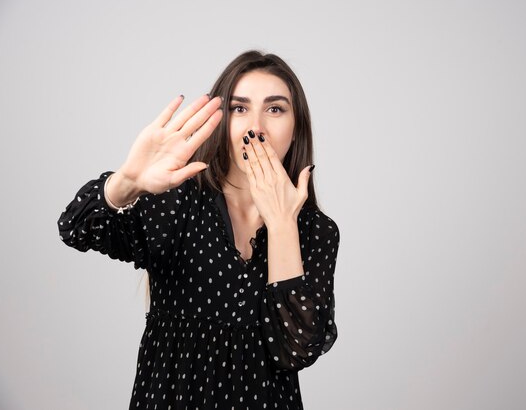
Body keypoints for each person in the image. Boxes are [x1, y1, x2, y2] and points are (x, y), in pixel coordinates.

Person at [57, 49, 340, 410]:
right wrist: (127, 181)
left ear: (296, 124)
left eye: (275, 108)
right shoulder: (177, 202)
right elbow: (75, 227)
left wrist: (283, 225)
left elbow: (297, 349)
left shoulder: (316, 231)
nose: (257, 127)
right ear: (221, 121)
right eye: (240, 108)